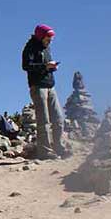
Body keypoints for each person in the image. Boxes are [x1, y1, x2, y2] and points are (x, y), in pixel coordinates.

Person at [22, 24, 67, 158]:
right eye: (48, 38)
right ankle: (45, 151)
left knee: (58, 118)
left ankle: (58, 147)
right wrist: (44, 66)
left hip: (50, 85)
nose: (50, 40)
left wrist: (51, 67)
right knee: (44, 120)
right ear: (41, 36)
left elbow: (46, 66)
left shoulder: (46, 48)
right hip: (38, 86)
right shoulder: (30, 47)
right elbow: (26, 66)